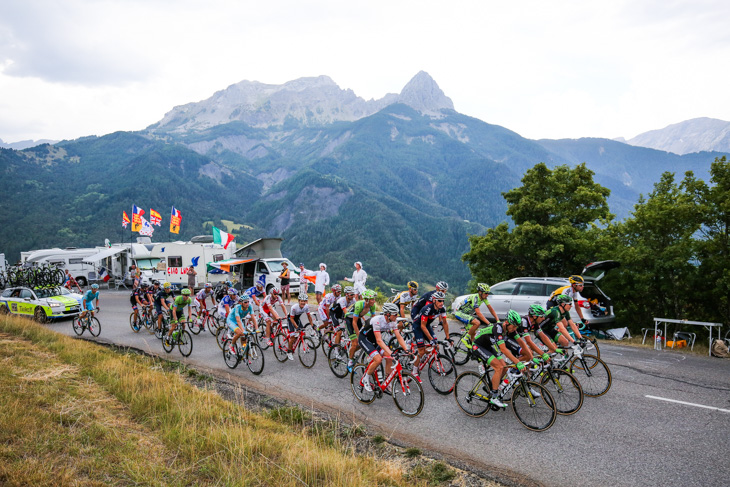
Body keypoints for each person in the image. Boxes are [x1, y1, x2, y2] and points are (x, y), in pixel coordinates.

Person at [359, 303, 410, 393]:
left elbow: (399, 336)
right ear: (387, 314)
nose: (397, 316)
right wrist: (391, 352)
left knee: (389, 358)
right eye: (395, 314)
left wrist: (406, 349)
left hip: (374, 340)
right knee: (378, 360)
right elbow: (379, 340)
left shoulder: (393, 322)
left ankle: (387, 384)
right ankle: (365, 379)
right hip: (365, 339)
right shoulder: (377, 320)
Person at [411, 290, 451, 377]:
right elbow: (422, 326)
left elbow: (445, 323)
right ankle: (414, 371)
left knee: (436, 346)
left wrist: (448, 337)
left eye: (443, 300)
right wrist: (431, 339)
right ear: (434, 300)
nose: (441, 303)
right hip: (418, 326)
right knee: (421, 351)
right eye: (439, 301)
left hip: (427, 325)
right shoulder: (427, 309)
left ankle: (420, 355)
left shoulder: (442, 309)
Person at [454, 283, 499, 347]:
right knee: (477, 323)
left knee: (473, 333)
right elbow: (478, 313)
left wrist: (498, 320)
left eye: (488, 293)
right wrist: (488, 323)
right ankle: (465, 338)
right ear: (480, 292)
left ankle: (473, 350)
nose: (487, 295)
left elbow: (491, 309)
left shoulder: (484, 298)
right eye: (486, 293)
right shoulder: (475, 298)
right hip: (460, 313)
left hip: (467, 314)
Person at [546, 275, 588, 342]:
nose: (582, 286)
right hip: (552, 304)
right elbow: (564, 306)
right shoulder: (567, 291)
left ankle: (558, 340)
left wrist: (582, 318)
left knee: (566, 323)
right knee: (564, 323)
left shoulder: (574, 292)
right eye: (580, 285)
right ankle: (550, 338)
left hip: (560, 305)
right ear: (574, 285)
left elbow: (577, 306)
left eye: (582, 285)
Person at [345, 289, 378, 372]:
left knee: (363, 342)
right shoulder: (359, 304)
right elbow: (354, 322)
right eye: (372, 299)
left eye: (374, 299)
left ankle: (351, 352)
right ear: (366, 300)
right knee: (356, 342)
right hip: (349, 320)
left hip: (358, 319)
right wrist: (359, 335)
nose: (374, 301)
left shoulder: (372, 305)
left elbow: (373, 320)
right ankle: (350, 360)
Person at [286, 293, 315, 361]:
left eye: (304, 301)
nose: (303, 302)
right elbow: (292, 319)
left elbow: (309, 317)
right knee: (293, 337)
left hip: (297, 319)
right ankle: (289, 352)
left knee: (303, 332)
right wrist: (297, 327)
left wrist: (312, 325)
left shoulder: (306, 307)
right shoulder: (294, 307)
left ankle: (297, 343)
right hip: (291, 319)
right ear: (299, 301)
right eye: (301, 301)